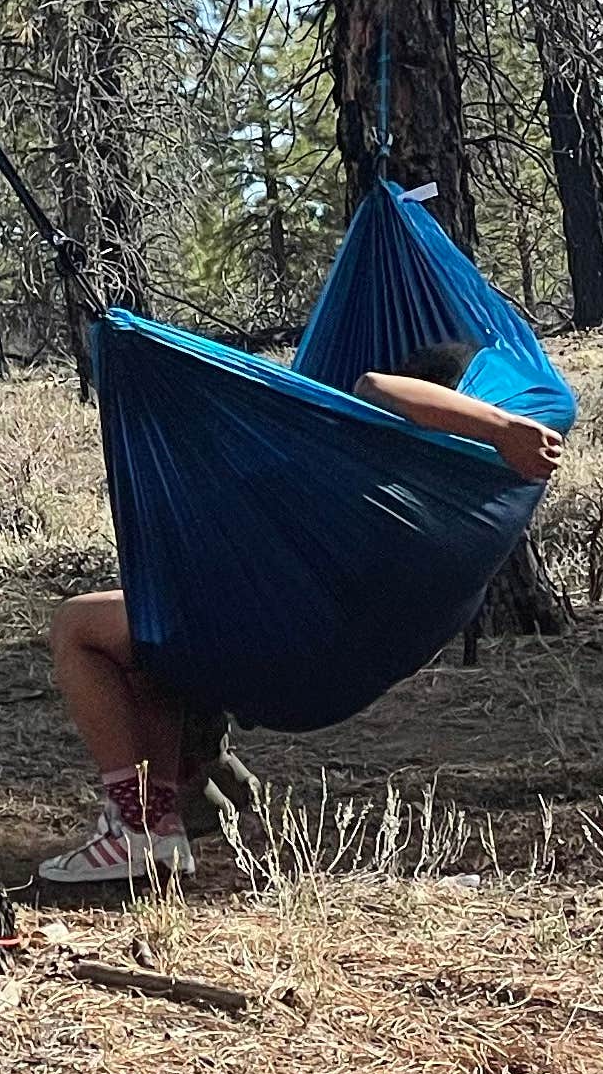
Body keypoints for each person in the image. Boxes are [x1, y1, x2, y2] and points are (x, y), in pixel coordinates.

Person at [36, 333, 568, 891]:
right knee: (158, 642)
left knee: (78, 626)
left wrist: (502, 430)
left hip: (281, 650)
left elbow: (375, 387)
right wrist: (507, 433)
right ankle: (169, 819)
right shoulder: (483, 506)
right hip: (330, 666)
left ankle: (137, 823)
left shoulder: (387, 485)